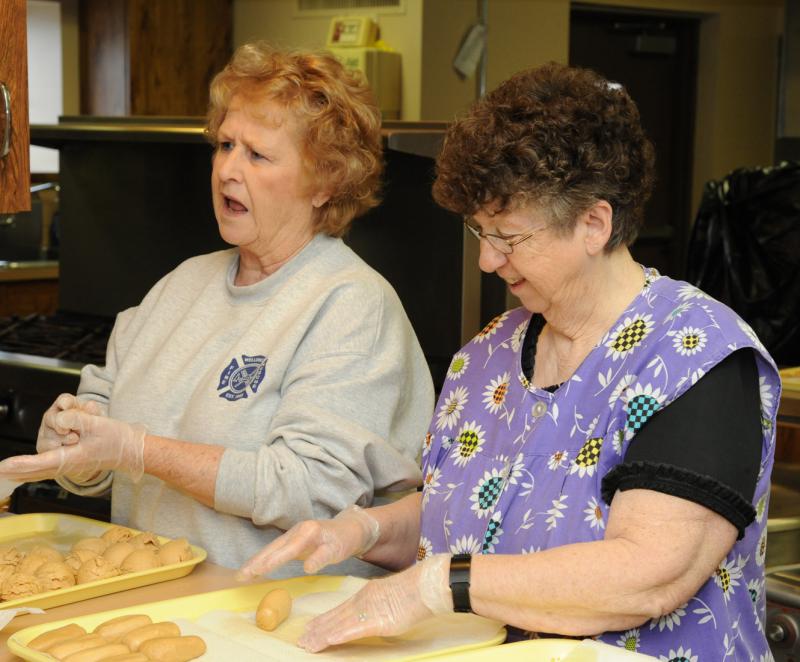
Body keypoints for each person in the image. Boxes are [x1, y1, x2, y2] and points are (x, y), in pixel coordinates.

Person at [236, 62, 781, 659]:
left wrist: (442, 585)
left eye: (509, 237)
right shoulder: (488, 355)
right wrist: (363, 529)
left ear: (594, 223)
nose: (487, 262)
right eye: (479, 233)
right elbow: (470, 514)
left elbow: (648, 574)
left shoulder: (697, 356)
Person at [0, 42, 434, 573]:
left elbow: (312, 492)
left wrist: (140, 451)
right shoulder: (182, 284)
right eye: (225, 145)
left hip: (277, 627)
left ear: (324, 182)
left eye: (257, 155)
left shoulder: (351, 306)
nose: (228, 169)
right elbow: (104, 434)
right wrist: (74, 441)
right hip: (159, 607)